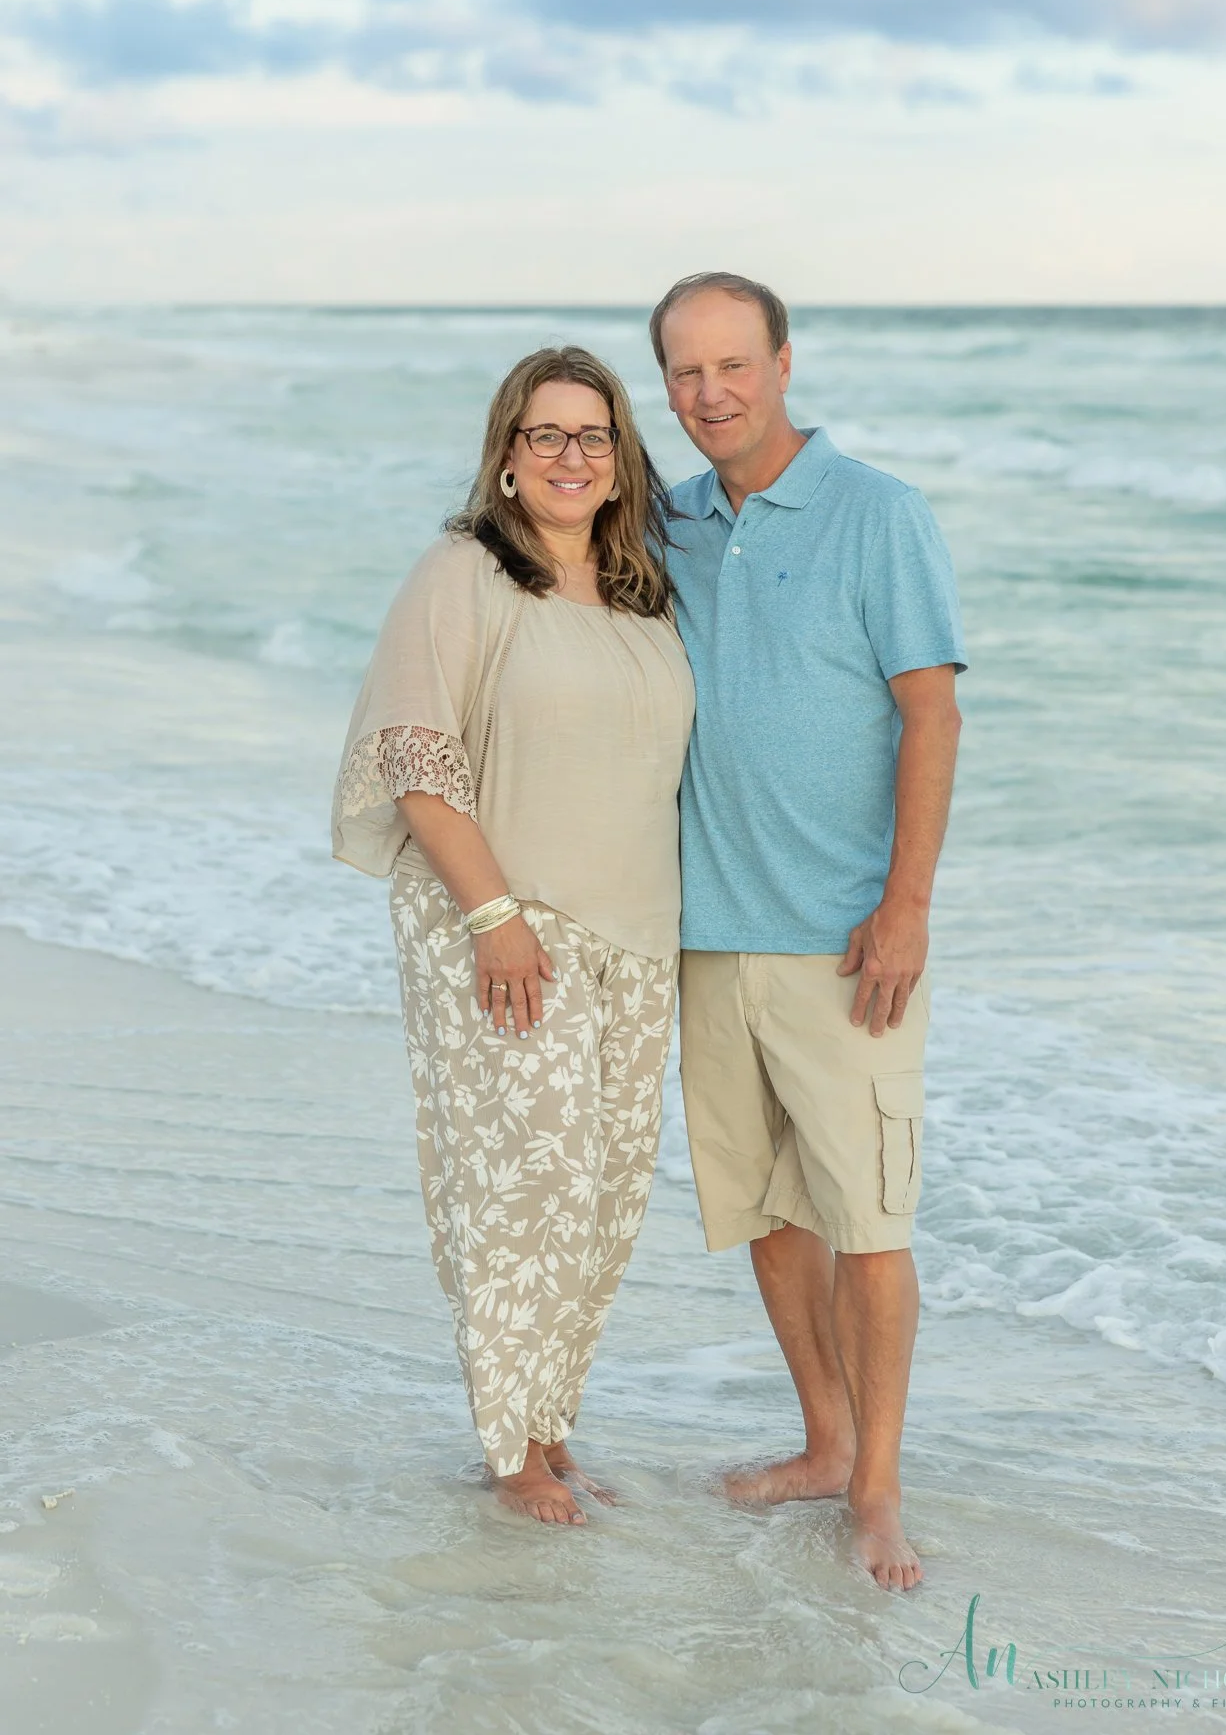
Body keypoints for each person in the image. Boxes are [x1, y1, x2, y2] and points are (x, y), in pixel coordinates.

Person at [332, 346, 694, 1525]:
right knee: (523, 1181)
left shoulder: (643, 593)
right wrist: (492, 917)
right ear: (504, 454)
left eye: (592, 436)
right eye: (545, 435)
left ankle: (550, 1422)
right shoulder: (461, 575)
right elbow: (415, 756)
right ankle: (507, 1452)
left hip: (635, 934)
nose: (570, 457)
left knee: (601, 1195)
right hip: (501, 923)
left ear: (619, 456)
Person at [652, 272, 965, 1591]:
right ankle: (824, 1443)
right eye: (684, 373)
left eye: (734, 364)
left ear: (783, 361)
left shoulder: (877, 515)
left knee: (867, 1222)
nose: (711, 394)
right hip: (707, 933)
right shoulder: (658, 526)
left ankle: (879, 1487)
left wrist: (903, 907)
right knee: (770, 1216)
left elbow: (931, 714)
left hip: (844, 941)